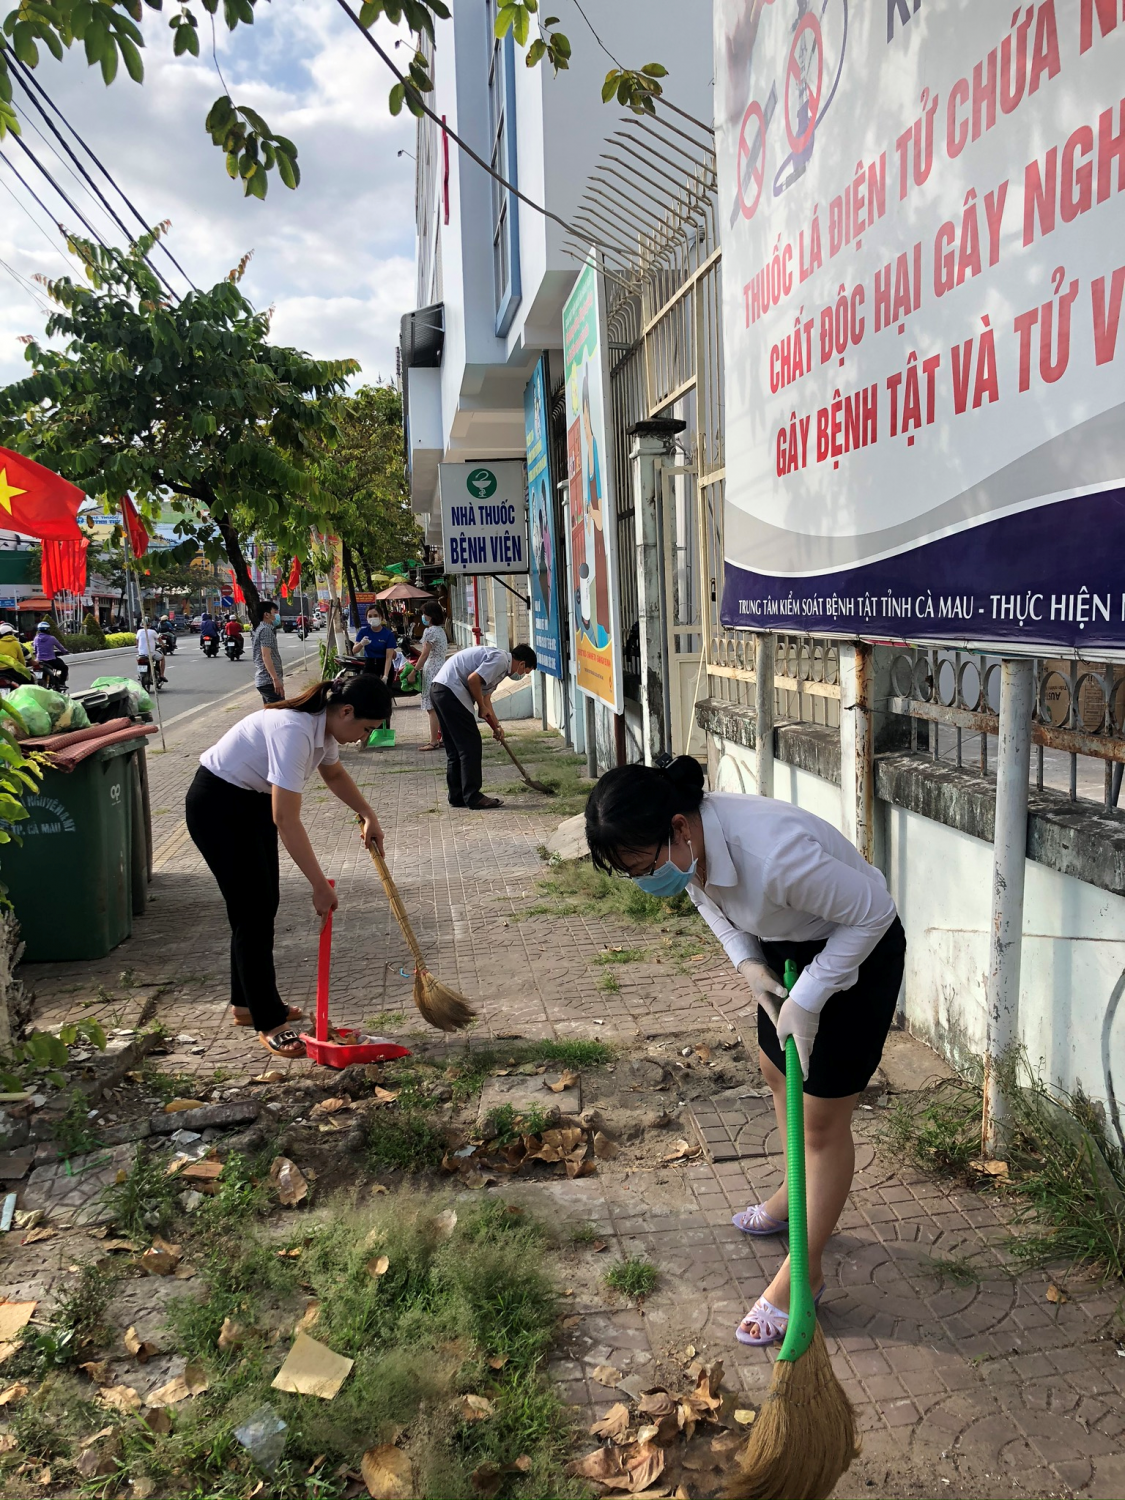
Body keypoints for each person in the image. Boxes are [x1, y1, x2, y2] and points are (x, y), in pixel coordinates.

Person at [584, 756, 905, 1348]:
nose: (647, 881)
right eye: (631, 873)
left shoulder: (774, 855)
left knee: (821, 1123)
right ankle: (792, 1196)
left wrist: (807, 999)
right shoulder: (687, 849)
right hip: (785, 946)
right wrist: (751, 967)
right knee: (773, 1069)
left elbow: (874, 914)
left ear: (679, 827)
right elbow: (709, 902)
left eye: (645, 866)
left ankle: (798, 1281)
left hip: (857, 951)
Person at [185, 674, 393, 1057]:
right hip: (218, 807)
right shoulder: (294, 729)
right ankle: (269, 1021)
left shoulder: (323, 729)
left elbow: (332, 773)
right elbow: (286, 819)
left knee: (262, 905)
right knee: (253, 912)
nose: (364, 737)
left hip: (250, 805)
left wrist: (368, 814)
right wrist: (318, 884)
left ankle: (246, 1004)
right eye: (365, 728)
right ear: (345, 711)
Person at [430, 643, 537, 809]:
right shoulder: (501, 660)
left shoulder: (500, 668)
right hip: (450, 691)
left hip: (440, 691)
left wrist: (496, 726)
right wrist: (480, 707)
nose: (521, 675)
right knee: (470, 746)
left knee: (456, 749)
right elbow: (473, 679)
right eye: (525, 671)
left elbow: (486, 699)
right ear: (522, 664)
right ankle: (473, 796)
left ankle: (458, 796)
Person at [414, 602, 449, 751]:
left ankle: (433, 740)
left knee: (431, 708)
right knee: (439, 706)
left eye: (424, 614)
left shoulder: (429, 632)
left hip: (432, 669)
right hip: (442, 667)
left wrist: (414, 671)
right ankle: (442, 738)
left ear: (430, 615)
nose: (423, 616)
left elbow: (424, 654)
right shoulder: (441, 631)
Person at [252, 599, 284, 704]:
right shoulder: (266, 630)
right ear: (266, 614)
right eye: (274, 613)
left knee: (272, 713)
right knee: (279, 712)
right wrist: (275, 679)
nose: (276, 616)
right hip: (268, 680)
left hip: (266, 680)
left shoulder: (262, 629)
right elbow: (266, 656)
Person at [135, 618, 166, 684]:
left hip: (141, 654)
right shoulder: (153, 632)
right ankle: (162, 675)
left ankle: (142, 674)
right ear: (150, 624)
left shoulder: (139, 631)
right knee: (162, 658)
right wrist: (163, 645)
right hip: (151, 653)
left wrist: (137, 646)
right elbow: (159, 639)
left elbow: (137, 640)